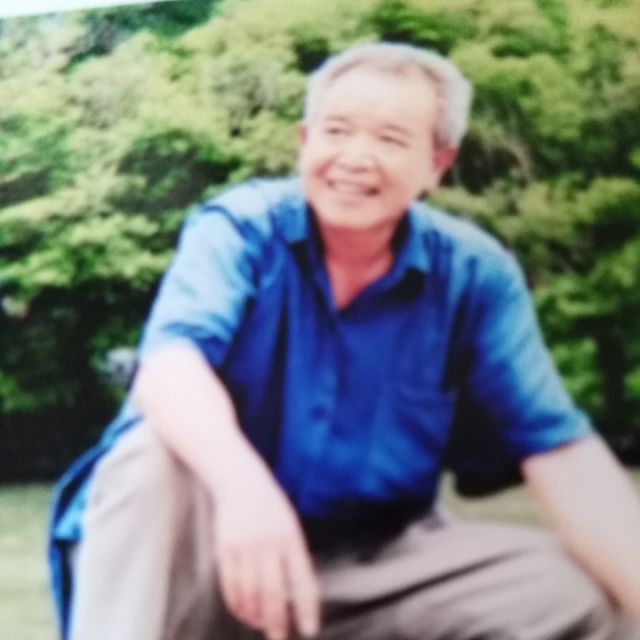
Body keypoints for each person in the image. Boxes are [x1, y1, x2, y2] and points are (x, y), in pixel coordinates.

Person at [49, 41, 640, 640]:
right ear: (305, 142)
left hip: (370, 560)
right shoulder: (240, 230)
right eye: (336, 131)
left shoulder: (475, 275)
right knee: (152, 459)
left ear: (437, 164)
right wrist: (245, 490)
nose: (355, 158)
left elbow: (557, 448)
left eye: (390, 139)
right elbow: (169, 368)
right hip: (211, 546)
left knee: (574, 591)